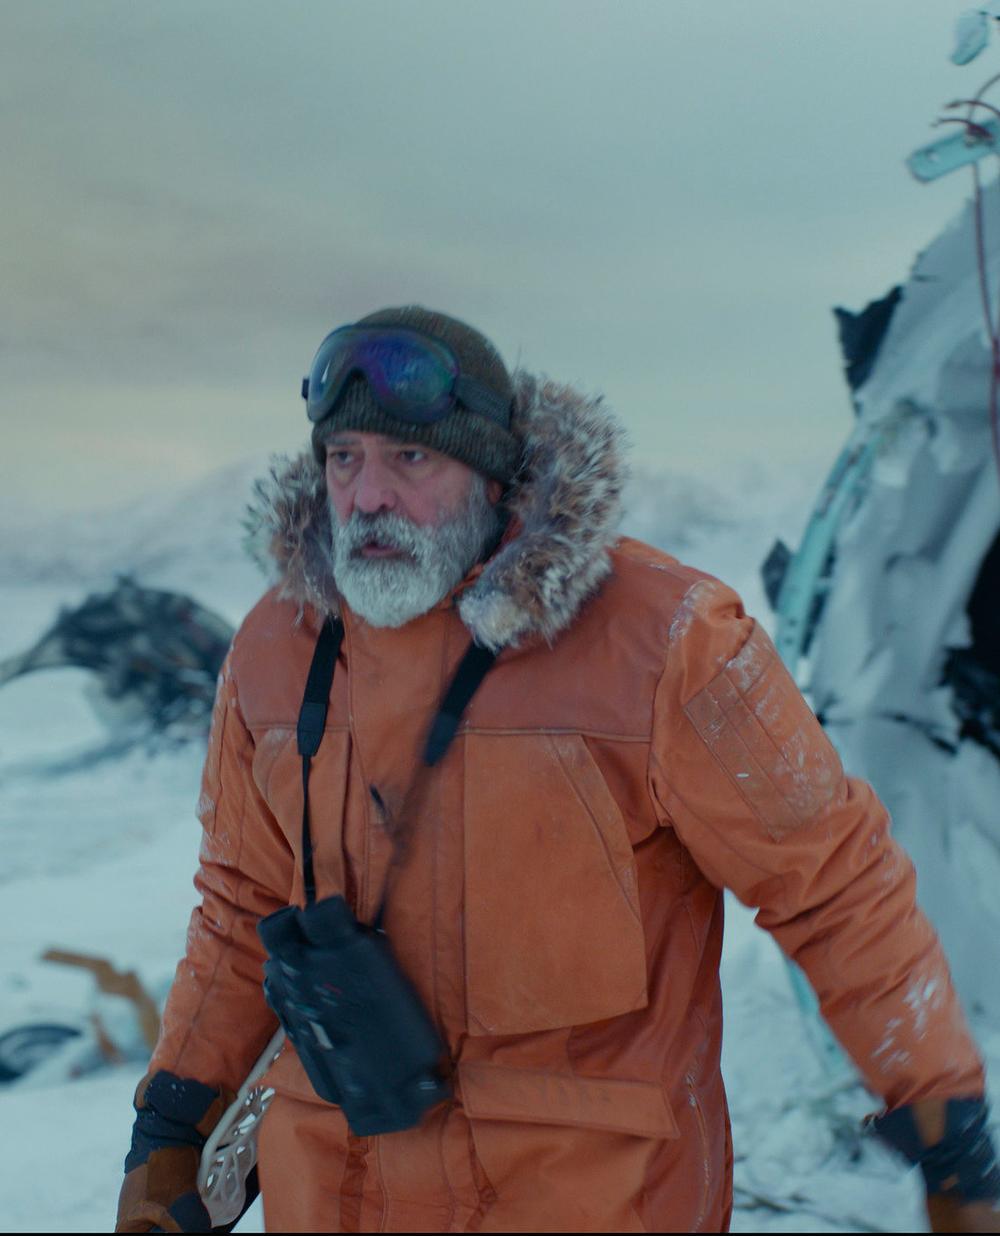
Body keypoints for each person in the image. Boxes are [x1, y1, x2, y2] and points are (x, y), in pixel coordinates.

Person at [115, 306, 1000, 1234]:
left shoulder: (666, 643)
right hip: (330, 1196)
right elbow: (242, 906)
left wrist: (946, 1124)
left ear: (490, 472)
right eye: (345, 458)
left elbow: (833, 887)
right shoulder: (275, 648)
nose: (367, 495)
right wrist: (171, 1124)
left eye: (409, 458)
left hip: (587, 1202)